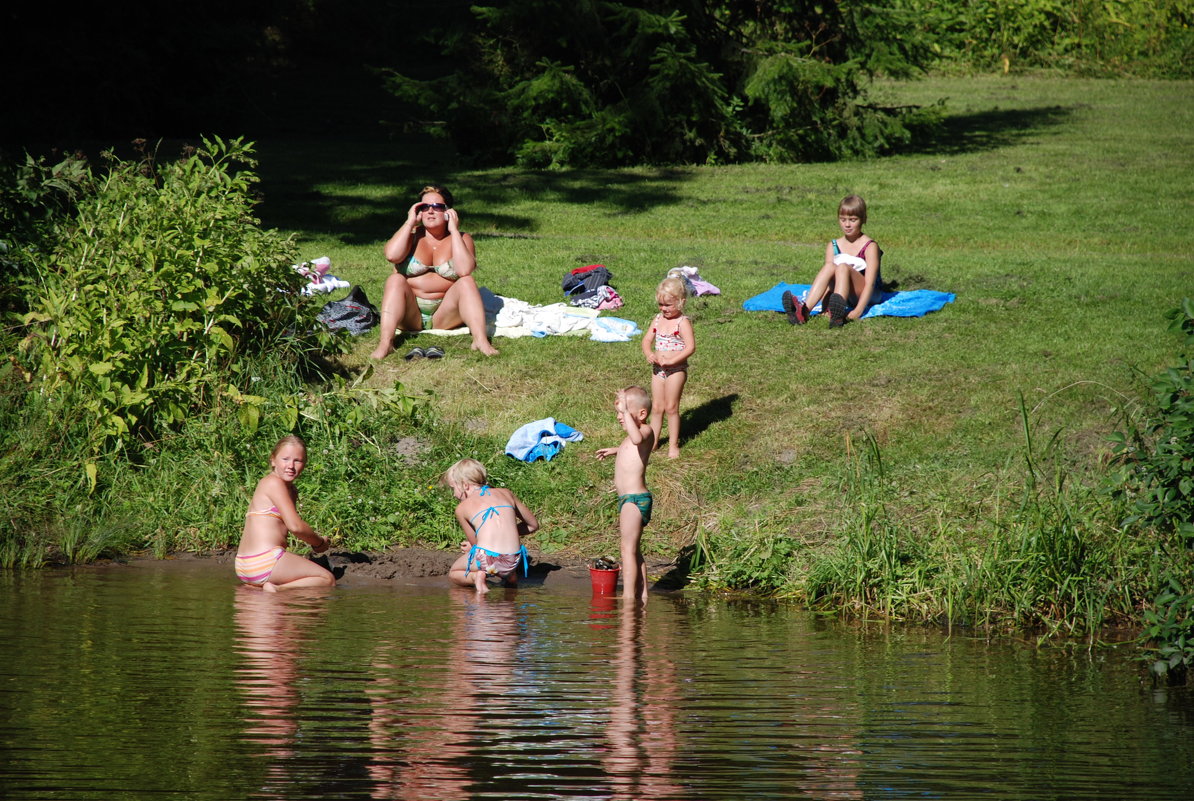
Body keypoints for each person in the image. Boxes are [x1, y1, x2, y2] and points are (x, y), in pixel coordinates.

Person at [370, 185, 498, 359]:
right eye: (424, 207)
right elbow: (392, 255)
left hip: (445, 315)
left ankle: (480, 340)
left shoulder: (461, 238)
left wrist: (453, 231)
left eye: (437, 207)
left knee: (467, 281)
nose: (430, 211)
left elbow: (464, 270)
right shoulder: (411, 235)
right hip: (410, 314)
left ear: (448, 212)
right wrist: (409, 223)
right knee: (395, 280)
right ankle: (386, 343)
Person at [235, 435, 335, 592]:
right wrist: (319, 543)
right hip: (264, 561)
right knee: (327, 579)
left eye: (298, 460)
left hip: (245, 565)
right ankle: (278, 589)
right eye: (285, 459)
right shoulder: (273, 482)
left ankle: (264, 585)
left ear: (305, 463)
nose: (291, 466)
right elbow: (295, 527)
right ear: (273, 460)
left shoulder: (290, 489)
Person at [782, 194, 881, 328]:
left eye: (853, 220)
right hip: (844, 294)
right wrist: (824, 306)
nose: (847, 224)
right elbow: (829, 281)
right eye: (843, 219)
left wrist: (858, 310)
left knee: (842, 267)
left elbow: (870, 284)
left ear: (863, 219)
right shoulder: (833, 245)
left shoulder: (870, 246)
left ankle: (837, 316)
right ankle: (804, 311)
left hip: (867, 294)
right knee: (830, 266)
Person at [594, 387, 655, 603]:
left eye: (624, 412)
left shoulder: (646, 430)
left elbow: (637, 440)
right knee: (634, 550)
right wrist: (614, 450)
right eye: (619, 413)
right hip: (629, 500)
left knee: (626, 549)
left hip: (634, 499)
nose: (620, 417)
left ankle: (628, 598)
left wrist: (628, 416)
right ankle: (643, 594)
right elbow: (631, 446)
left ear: (641, 414)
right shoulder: (631, 436)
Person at [445, 459, 539, 593]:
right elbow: (533, 525)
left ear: (465, 485)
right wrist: (507, 533)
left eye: (453, 488)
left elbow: (476, 545)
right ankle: (510, 577)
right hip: (514, 559)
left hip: (487, 560)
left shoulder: (462, 508)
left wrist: (471, 548)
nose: (454, 494)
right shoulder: (507, 493)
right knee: (504, 568)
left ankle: (476, 577)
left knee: (454, 572)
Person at [642, 276, 696, 460]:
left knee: (671, 407)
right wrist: (649, 353)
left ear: (681, 302)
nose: (664, 309)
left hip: (676, 370)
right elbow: (647, 339)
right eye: (661, 305)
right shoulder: (658, 319)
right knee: (657, 407)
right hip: (658, 370)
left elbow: (690, 347)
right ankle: (654, 441)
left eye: (668, 305)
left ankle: (673, 444)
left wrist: (673, 362)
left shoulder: (682, 322)